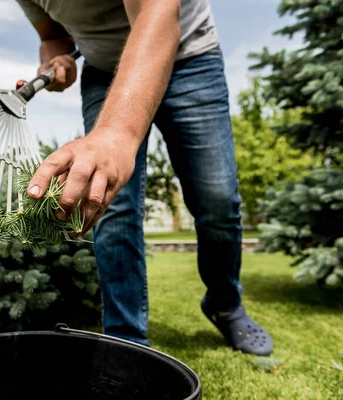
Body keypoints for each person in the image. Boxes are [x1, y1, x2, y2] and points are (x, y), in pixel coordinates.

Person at [15, 0, 274, 356]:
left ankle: (225, 303)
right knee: (109, 204)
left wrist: (116, 134)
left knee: (217, 197)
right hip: (104, 70)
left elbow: (158, 12)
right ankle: (125, 339)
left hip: (190, 59)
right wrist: (56, 59)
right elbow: (52, 34)